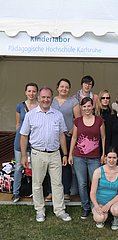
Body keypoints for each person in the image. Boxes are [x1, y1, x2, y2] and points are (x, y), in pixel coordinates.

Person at [20, 87, 71, 222]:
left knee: (57, 184)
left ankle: (60, 210)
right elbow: (24, 136)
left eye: (48, 97)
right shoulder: (30, 115)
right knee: (37, 184)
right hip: (37, 154)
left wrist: (65, 154)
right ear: (38, 98)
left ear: (52, 98)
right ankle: (40, 210)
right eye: (43, 97)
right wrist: (24, 156)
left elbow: (61, 136)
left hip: (55, 154)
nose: (45, 100)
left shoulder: (57, 115)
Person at [68, 97, 105, 219]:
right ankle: (85, 207)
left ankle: (95, 205)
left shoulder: (99, 121)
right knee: (82, 183)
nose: (87, 108)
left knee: (95, 183)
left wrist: (103, 154)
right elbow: (74, 138)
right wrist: (70, 154)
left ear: (92, 106)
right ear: (81, 108)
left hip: (94, 158)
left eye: (89, 106)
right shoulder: (77, 121)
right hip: (79, 157)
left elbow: (103, 138)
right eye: (84, 106)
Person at [44, 78, 81, 202]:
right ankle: (50, 192)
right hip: (52, 138)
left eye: (66, 87)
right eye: (62, 86)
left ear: (69, 89)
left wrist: (69, 132)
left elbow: (78, 120)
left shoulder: (73, 101)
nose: (64, 89)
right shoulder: (51, 100)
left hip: (67, 137)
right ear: (57, 88)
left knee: (66, 165)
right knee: (51, 165)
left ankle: (66, 192)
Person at [12, 82, 39, 203]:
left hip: (35, 142)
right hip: (20, 141)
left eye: (33, 91)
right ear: (25, 92)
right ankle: (16, 193)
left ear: (37, 93)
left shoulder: (40, 106)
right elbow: (18, 124)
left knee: (35, 168)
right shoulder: (20, 106)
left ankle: (35, 192)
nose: (31, 93)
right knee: (19, 167)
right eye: (29, 91)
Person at [90, 147, 118, 230]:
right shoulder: (98, 171)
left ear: (117, 158)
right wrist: (96, 206)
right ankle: (103, 217)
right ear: (105, 157)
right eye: (109, 157)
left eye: (114, 157)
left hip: (115, 201)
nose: (111, 160)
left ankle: (116, 218)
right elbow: (92, 192)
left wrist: (108, 205)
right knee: (99, 218)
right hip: (99, 201)